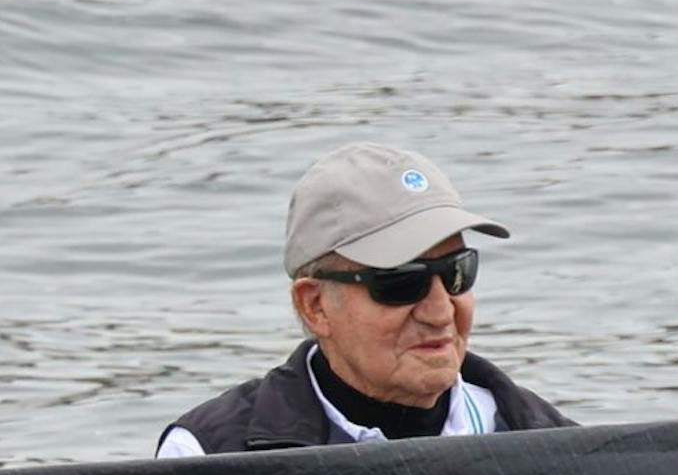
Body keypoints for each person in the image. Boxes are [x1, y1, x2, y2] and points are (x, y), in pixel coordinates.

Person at [157, 142, 572, 457]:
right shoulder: (205, 455)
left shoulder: (558, 448)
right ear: (314, 305)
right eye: (399, 284)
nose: (441, 311)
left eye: (456, 273)